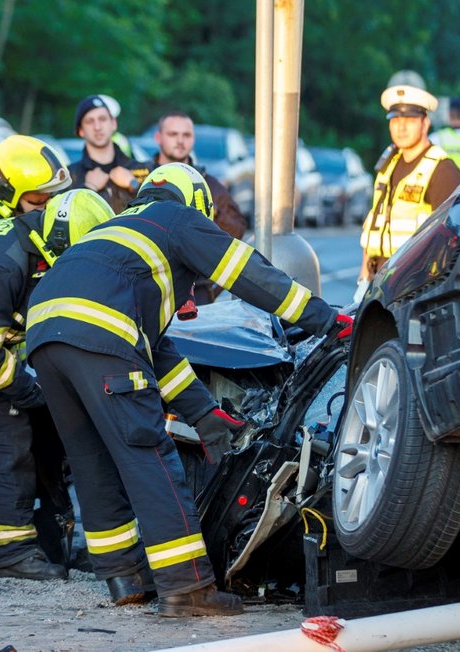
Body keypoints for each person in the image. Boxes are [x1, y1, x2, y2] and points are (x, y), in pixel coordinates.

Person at [25, 163, 352, 615]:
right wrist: (326, 319)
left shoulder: (117, 233)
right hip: (102, 334)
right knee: (148, 455)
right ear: (196, 203)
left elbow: (156, 351)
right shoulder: (177, 219)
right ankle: (187, 589)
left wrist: (204, 414)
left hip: (44, 336)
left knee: (90, 459)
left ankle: (124, 578)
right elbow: (249, 272)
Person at [0, 183, 113, 583]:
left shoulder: (43, 242)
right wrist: (34, 391)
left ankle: (11, 556)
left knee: (10, 454)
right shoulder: (0, 262)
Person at [359, 84, 460, 283]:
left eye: (410, 119)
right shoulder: (389, 163)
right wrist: (364, 273)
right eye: (395, 119)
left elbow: (451, 237)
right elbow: (376, 219)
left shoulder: (442, 170)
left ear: (425, 124)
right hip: (378, 277)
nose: (401, 127)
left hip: (416, 281)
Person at [154, 111, 249, 305]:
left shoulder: (208, 184)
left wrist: (211, 209)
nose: (180, 141)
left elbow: (237, 229)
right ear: (158, 138)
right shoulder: (139, 179)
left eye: (186, 135)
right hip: (151, 288)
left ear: (193, 139)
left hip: (198, 292)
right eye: (173, 134)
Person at [70, 94, 152, 214]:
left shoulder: (144, 169)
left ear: (113, 123)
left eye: (102, 119)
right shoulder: (69, 177)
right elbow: (63, 223)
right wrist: (88, 188)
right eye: (89, 121)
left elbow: (158, 211)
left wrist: (134, 185)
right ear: (80, 131)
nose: (97, 127)